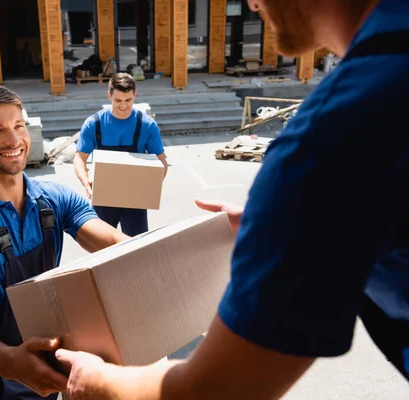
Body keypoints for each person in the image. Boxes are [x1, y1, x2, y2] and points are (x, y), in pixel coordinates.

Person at [55, 0, 409, 398]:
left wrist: (97, 379)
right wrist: (288, 221)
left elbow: (216, 390)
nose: (253, 4)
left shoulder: (330, 141)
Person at [0, 84, 129, 400]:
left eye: (19, 126)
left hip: (51, 360)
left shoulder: (55, 198)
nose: (14, 140)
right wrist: (11, 363)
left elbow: (114, 242)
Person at [73, 73, 169, 236]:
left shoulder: (146, 125)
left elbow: (162, 162)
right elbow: (79, 158)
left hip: (135, 200)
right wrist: (85, 181)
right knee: (101, 248)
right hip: (103, 198)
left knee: (135, 248)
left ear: (134, 95)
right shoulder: (94, 124)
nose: (123, 106)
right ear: (109, 95)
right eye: (118, 100)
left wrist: (150, 186)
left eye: (128, 100)